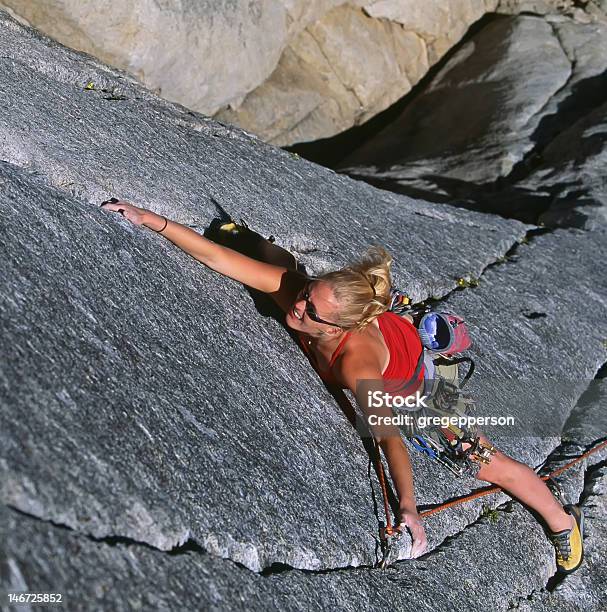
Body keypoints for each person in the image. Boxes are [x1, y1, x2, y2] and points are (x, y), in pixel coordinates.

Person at [100, 199, 584, 573]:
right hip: (397, 343)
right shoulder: (303, 296)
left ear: (337, 328)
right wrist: (152, 220)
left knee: (484, 462)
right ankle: (414, 320)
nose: (299, 311)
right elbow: (221, 258)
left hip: (425, 389)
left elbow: (390, 437)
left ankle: (562, 522)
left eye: (312, 313)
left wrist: (409, 508)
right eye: (307, 299)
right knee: (281, 273)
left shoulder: (357, 365)